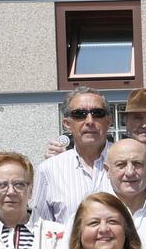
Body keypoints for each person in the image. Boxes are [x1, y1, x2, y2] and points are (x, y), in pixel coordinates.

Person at [34, 86, 114, 224]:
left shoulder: (132, 162)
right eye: (79, 114)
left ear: (108, 120)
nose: (89, 121)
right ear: (67, 124)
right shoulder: (49, 170)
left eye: (97, 113)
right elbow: (41, 227)